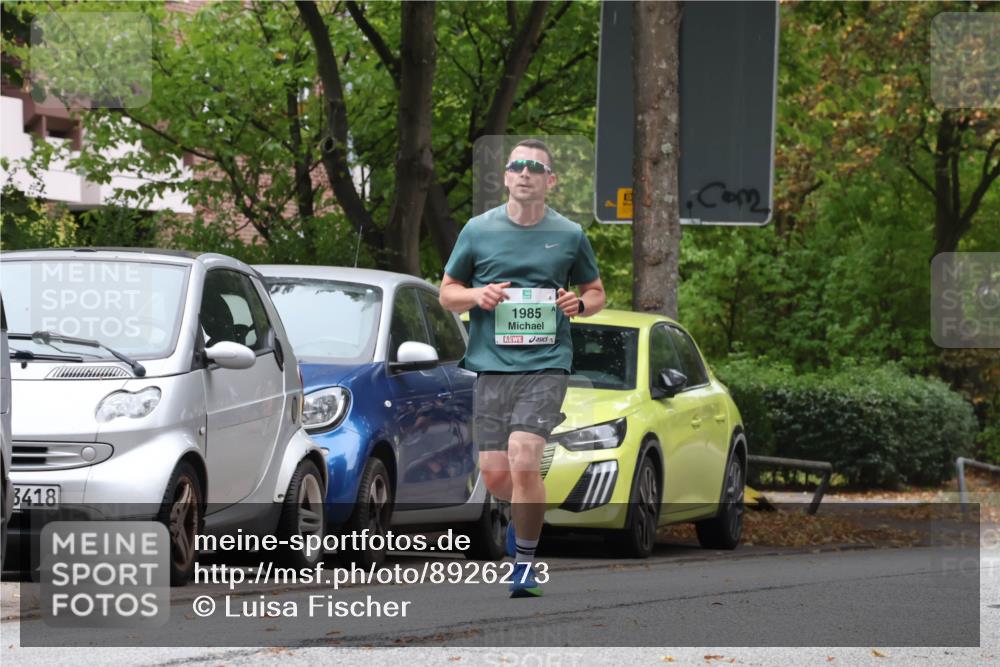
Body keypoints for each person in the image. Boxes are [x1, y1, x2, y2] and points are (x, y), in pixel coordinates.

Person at [439, 138, 605, 598]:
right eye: (517, 167)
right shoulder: (478, 230)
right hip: (492, 367)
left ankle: (525, 567)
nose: (525, 173)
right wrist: (477, 295)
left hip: (547, 363)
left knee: (525, 457)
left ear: (551, 180)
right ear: (506, 177)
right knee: (497, 476)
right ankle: (523, 518)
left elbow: (595, 292)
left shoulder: (569, 234)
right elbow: (447, 292)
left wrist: (579, 304)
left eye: (535, 167)